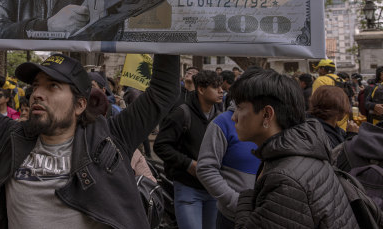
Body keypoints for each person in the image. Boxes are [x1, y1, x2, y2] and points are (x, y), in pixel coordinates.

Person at [0, 16, 179, 229]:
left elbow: (163, 91)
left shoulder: (111, 137)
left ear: (80, 105)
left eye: (53, 86)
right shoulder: (11, 136)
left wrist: (172, 29)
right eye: (36, 85)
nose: (37, 93)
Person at [229, 68, 358, 228]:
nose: (234, 117)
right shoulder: (299, 152)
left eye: (240, 108)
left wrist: (247, 198)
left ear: (267, 115)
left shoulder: (286, 180)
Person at [153, 70, 224, 229]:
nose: (221, 91)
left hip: (213, 189)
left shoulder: (220, 116)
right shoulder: (182, 113)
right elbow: (161, 145)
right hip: (187, 189)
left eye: (221, 87)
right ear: (201, 89)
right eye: (215, 87)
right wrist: (188, 164)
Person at [196, 99, 260, 229]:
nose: (235, 117)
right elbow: (205, 168)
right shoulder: (222, 122)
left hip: (268, 217)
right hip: (231, 217)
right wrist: (236, 202)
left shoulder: (275, 125)